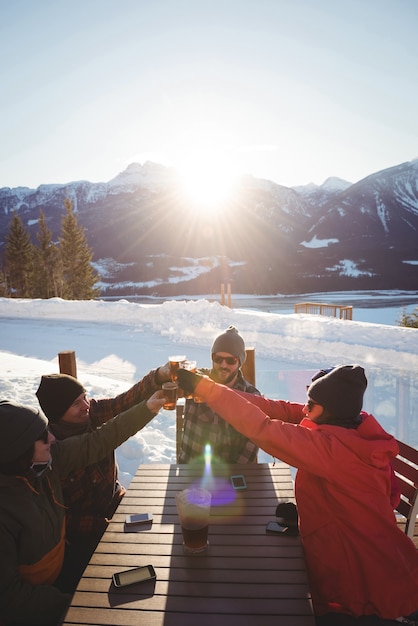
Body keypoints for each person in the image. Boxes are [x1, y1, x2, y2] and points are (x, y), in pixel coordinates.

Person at [177, 364, 418, 625]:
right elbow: (275, 409)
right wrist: (208, 388)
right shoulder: (349, 424)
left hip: (356, 577)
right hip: (359, 544)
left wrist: (208, 390)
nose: (304, 408)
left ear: (329, 410)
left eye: (311, 404)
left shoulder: (334, 450)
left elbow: (263, 428)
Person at [0, 392, 165, 626]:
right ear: (18, 451)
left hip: (63, 564)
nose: (52, 439)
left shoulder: (46, 462)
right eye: (42, 437)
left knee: (132, 575)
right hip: (37, 601)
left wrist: (147, 408)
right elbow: (10, 599)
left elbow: (98, 441)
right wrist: (76, 604)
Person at [35, 363, 172, 592]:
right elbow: (63, 520)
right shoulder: (50, 453)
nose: (86, 406)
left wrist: (158, 376)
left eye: (85, 397)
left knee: (156, 535)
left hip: (114, 503)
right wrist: (108, 527)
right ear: (58, 413)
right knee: (113, 578)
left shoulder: (92, 413)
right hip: (83, 535)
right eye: (76, 403)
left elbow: (126, 400)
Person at [178, 325, 260, 464]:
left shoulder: (251, 396)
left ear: (239, 362)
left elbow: (250, 448)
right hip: (192, 473)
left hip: (231, 476)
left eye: (230, 361)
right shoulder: (195, 381)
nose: (223, 365)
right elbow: (168, 382)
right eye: (218, 359)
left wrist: (231, 477)